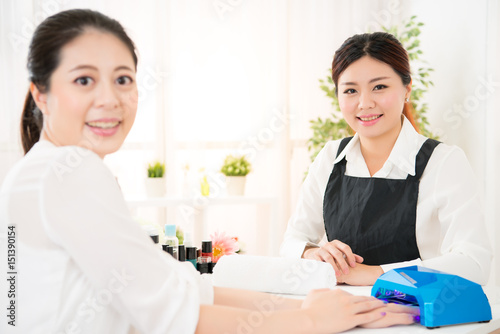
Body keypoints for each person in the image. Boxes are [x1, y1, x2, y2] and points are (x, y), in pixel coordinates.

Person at [0, 9, 418, 334]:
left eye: (123, 79)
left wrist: (305, 308)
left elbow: (176, 287)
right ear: (42, 92)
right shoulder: (68, 172)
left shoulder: (45, 170)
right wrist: (310, 321)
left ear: (406, 89)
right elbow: (171, 314)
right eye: (84, 80)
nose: (110, 99)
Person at [280, 32, 492, 287]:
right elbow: (292, 242)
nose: (365, 103)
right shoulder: (330, 157)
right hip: (341, 314)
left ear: (407, 89)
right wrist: (311, 253)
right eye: (350, 90)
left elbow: (474, 263)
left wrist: (376, 273)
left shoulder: (444, 162)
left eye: (379, 87)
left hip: (414, 317)